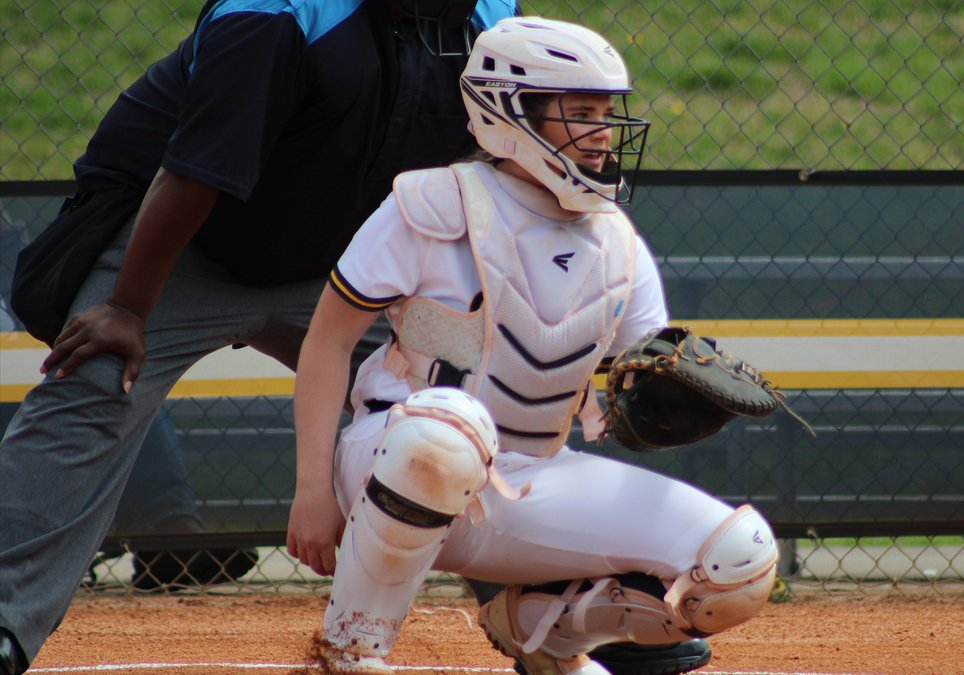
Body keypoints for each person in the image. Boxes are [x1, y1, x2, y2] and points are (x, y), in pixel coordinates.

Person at [0, 1, 518, 672]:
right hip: (184, 247)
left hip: (341, 271)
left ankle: (546, 605)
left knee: (469, 397)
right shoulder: (275, 14)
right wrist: (127, 307)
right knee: (99, 374)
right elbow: (193, 169)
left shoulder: (490, 19)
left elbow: (499, 170)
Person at [286, 17, 779, 675]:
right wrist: (312, 489)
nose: (604, 131)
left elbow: (635, 385)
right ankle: (353, 645)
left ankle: (545, 633)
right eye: (580, 112)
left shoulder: (618, 243)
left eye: (608, 112)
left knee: (739, 558)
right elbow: (327, 341)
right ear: (509, 111)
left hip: (529, 478)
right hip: (389, 462)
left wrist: (656, 408)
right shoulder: (434, 203)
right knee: (450, 429)